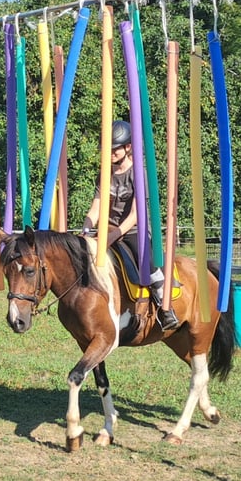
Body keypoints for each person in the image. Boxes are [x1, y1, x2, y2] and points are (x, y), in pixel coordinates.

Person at [82, 120, 179, 331]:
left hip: (132, 230)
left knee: (147, 258)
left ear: (127, 147)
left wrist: (113, 236)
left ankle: (165, 307)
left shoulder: (138, 173)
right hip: (107, 229)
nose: (111, 153)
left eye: (115, 149)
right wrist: (86, 229)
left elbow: (136, 215)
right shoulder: (105, 174)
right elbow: (95, 208)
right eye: (107, 150)